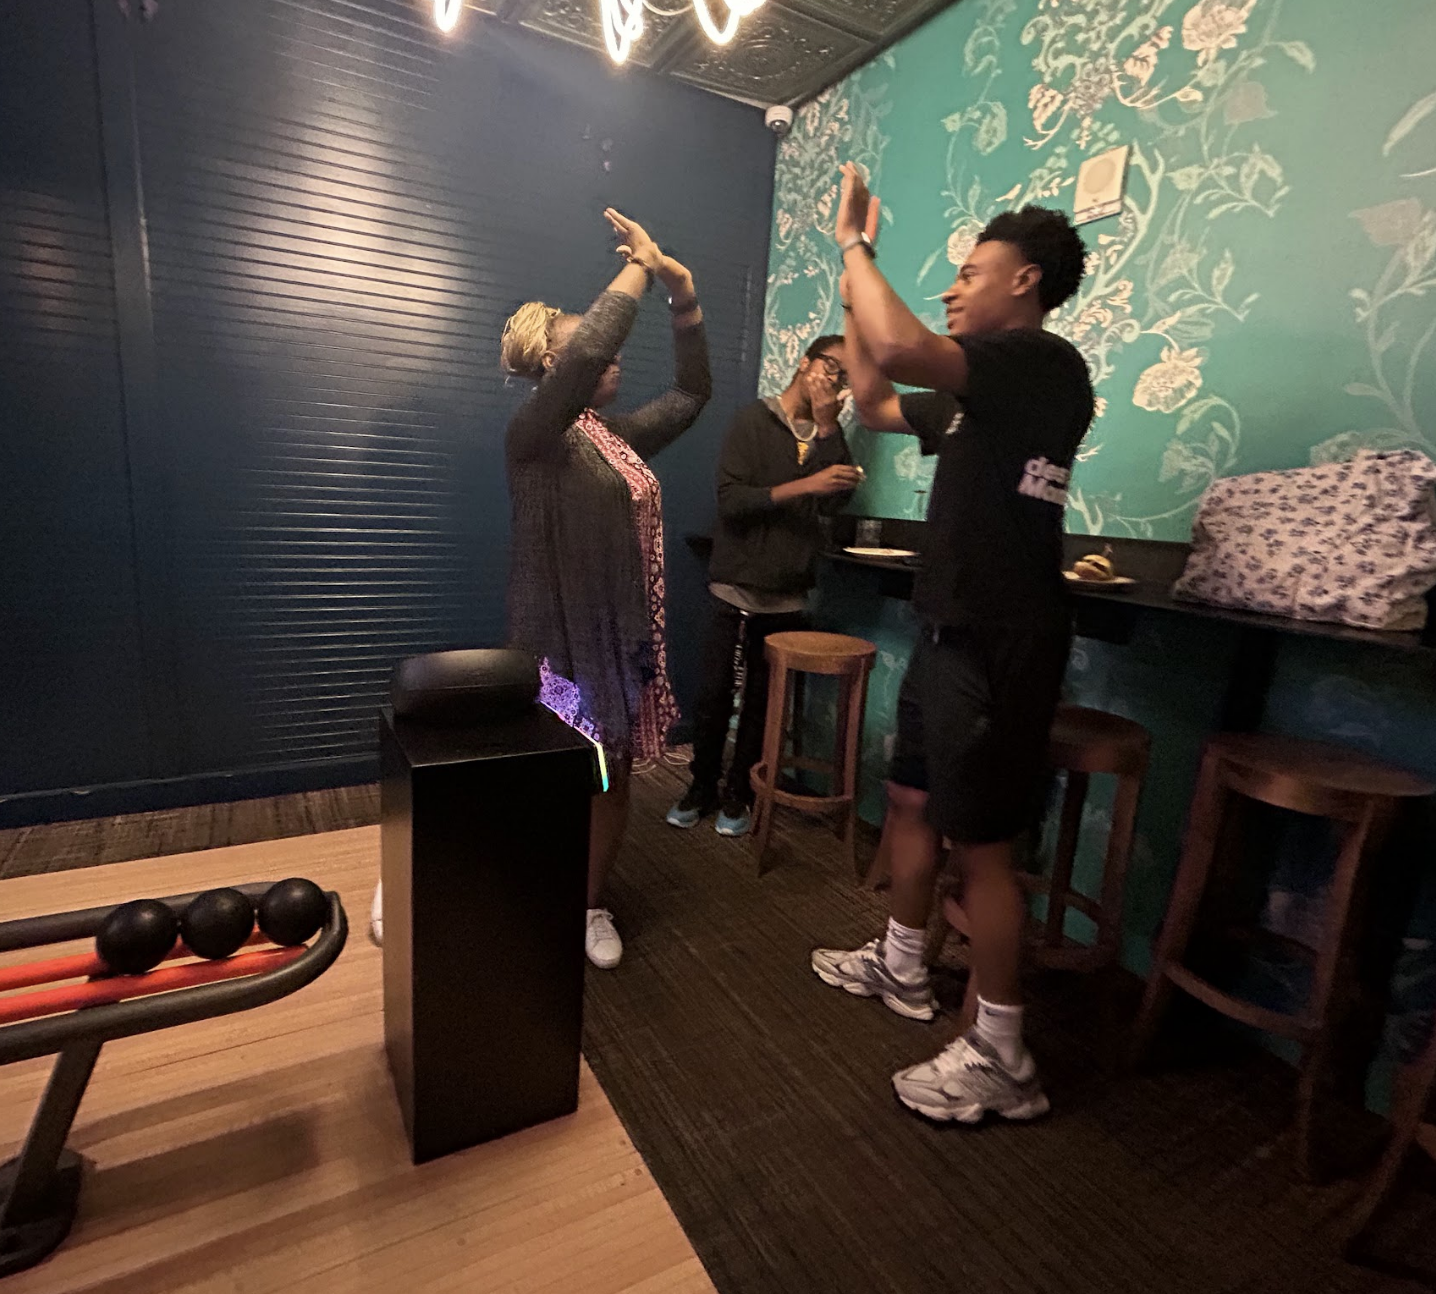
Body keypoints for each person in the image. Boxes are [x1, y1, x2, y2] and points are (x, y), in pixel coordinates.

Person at [811, 164, 1093, 1123]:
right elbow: (873, 393)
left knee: (983, 847)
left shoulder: (1040, 364)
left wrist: (855, 245)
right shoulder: (977, 395)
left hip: (1002, 639)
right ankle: (901, 965)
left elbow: (901, 345)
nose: (952, 287)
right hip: (947, 629)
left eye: (971, 272)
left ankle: (1003, 1055)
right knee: (910, 801)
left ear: (1025, 280)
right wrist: (854, 284)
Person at [666, 336, 862, 836]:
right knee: (714, 697)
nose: (834, 380)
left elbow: (835, 501)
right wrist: (805, 485)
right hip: (735, 587)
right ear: (804, 362)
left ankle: (739, 793)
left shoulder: (829, 434)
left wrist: (828, 427)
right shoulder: (752, 421)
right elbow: (733, 502)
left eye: (844, 376)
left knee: (761, 703)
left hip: (788, 591)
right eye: (830, 367)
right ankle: (700, 786)